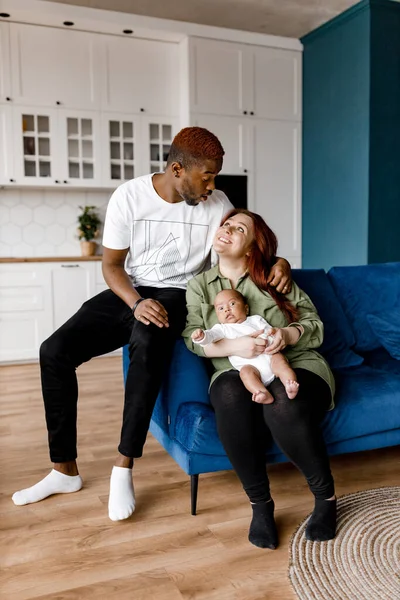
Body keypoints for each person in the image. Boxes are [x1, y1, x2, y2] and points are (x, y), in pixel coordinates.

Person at [11, 127, 292, 522]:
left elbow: (250, 239)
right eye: (206, 176)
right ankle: (64, 470)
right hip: (131, 290)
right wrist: (136, 301)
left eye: (215, 176)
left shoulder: (218, 203)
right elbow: (111, 265)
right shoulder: (130, 196)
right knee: (53, 351)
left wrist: (279, 262)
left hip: (180, 294)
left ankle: (123, 467)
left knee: (146, 341)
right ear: (178, 169)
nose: (213, 184)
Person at [182, 208, 337, 548]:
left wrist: (288, 335)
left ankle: (325, 499)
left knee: (284, 403)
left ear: (252, 248)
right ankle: (260, 505)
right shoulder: (199, 286)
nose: (227, 230)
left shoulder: (274, 276)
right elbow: (192, 338)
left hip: (297, 362)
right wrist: (237, 345)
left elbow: (315, 325)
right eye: (226, 224)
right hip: (236, 368)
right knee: (228, 395)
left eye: (238, 229)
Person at [191, 289, 299, 404]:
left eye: (232, 304)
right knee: (245, 373)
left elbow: (269, 331)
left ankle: (290, 384)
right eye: (221, 308)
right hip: (251, 367)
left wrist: (265, 337)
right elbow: (211, 336)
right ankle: (261, 392)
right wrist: (202, 336)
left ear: (246, 309)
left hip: (270, 357)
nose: (227, 309)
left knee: (280, 361)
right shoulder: (222, 329)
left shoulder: (255, 320)